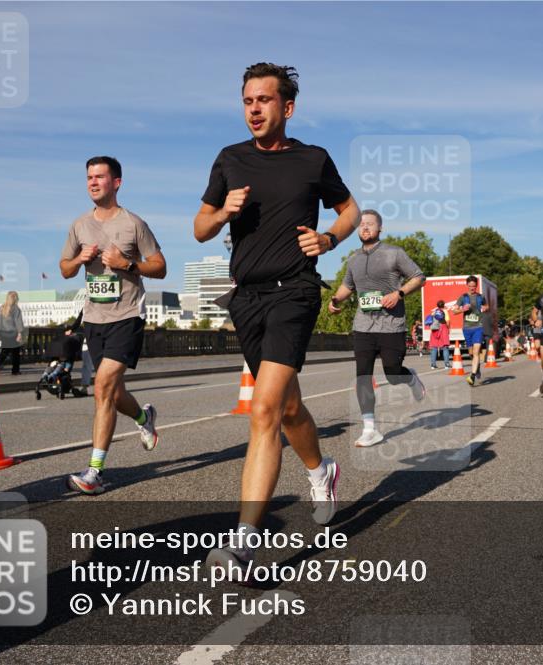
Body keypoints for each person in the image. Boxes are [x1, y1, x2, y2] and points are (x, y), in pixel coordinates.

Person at [193, 63, 360, 572]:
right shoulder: (230, 159)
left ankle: (244, 541)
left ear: (286, 107)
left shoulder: (313, 160)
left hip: (296, 291)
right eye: (247, 101)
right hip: (246, 298)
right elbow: (199, 228)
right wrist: (223, 212)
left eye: (263, 100)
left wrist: (329, 238)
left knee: (263, 411)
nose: (254, 110)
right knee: (287, 408)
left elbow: (350, 210)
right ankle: (321, 467)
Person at [61, 155, 166, 495]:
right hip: (94, 319)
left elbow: (160, 266)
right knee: (112, 391)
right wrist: (79, 259)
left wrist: (127, 264)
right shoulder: (79, 225)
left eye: (100, 177)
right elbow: (64, 268)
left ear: (116, 182)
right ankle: (143, 419)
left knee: (104, 384)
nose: (93, 182)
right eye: (89, 177)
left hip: (127, 317)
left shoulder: (133, 224)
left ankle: (94, 472)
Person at [328, 210, 425, 447]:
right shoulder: (353, 259)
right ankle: (370, 429)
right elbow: (347, 286)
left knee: (392, 373)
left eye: (370, 224)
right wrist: (335, 300)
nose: (365, 228)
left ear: (379, 228)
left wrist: (398, 293)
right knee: (363, 375)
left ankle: (410, 378)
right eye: (361, 225)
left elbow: (419, 277)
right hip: (363, 325)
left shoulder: (394, 253)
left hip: (391, 325)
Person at [453, 276, 489, 385]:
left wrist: (485, 308)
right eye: (470, 286)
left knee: (476, 351)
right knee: (470, 353)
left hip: (478, 326)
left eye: (474, 286)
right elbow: (454, 311)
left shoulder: (481, 297)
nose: (472, 288)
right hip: (467, 328)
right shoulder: (463, 297)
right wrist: (462, 309)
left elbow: (486, 305)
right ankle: (476, 368)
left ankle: (472, 376)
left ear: (476, 286)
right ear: (467, 285)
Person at [0, 291, 25, 375]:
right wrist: (20, 333)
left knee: (5, 350)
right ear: (15, 298)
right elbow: (18, 322)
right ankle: (15, 370)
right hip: (12, 333)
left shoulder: (1, 308)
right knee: (15, 353)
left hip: (3, 333)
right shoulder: (16, 308)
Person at [427, 299, 451, 369]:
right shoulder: (445, 311)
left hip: (434, 330)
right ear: (443, 305)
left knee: (434, 347)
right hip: (443, 328)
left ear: (437, 305)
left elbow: (430, 321)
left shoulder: (434, 312)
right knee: (445, 347)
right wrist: (448, 329)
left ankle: (433, 364)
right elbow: (448, 321)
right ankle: (446, 364)